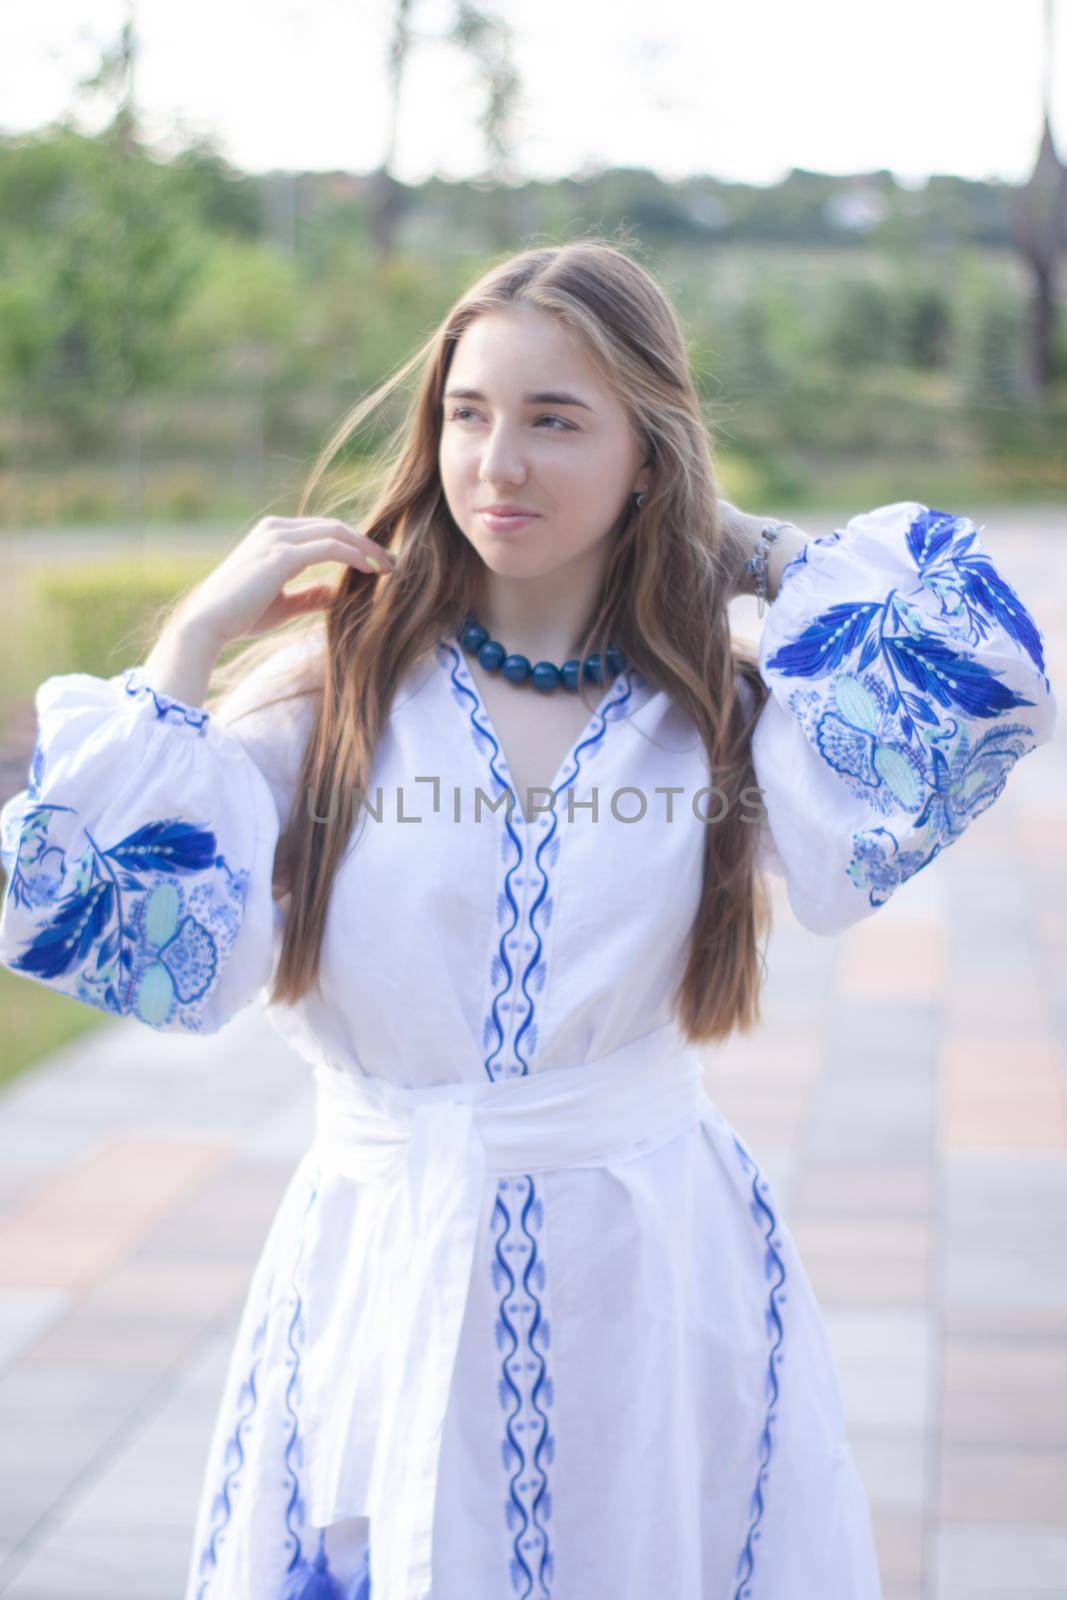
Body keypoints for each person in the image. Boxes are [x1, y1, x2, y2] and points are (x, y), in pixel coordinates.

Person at [0, 239, 1056, 1600]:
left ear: (647, 452)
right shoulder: (331, 696)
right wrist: (190, 644)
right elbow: (78, 904)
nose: (498, 463)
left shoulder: (717, 713)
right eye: (468, 413)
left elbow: (986, 686)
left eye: (557, 421)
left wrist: (749, 552)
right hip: (384, 1251)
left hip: (645, 1263)